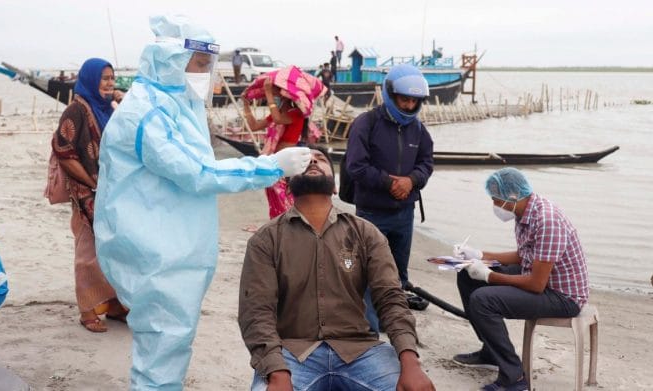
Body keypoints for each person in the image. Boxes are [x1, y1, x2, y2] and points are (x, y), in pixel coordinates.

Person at [93, 15, 311, 390]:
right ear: (172, 61)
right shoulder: (148, 113)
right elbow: (198, 173)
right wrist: (271, 166)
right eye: (199, 65)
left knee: (170, 347)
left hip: (177, 249)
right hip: (157, 253)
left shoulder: (177, 103)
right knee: (160, 355)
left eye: (208, 66)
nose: (204, 74)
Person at [238, 146, 436, 391]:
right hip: (291, 353)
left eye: (320, 159)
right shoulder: (266, 239)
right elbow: (256, 312)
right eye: (304, 160)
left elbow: (390, 298)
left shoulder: (365, 233)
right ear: (288, 185)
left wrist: (410, 361)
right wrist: (277, 372)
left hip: (361, 352)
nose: (312, 161)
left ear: (334, 186)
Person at [452, 167, 589, 391]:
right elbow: (524, 256)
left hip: (562, 296)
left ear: (513, 196)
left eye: (497, 201)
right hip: (543, 281)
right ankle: (491, 350)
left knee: (482, 300)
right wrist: (478, 255)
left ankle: (514, 378)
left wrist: (490, 275)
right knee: (467, 275)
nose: (495, 206)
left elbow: (536, 284)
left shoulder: (547, 221)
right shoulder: (524, 212)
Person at [345, 63, 433, 331]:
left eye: (413, 101)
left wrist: (411, 181)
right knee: (369, 272)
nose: (408, 106)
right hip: (371, 213)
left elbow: (427, 163)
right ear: (390, 95)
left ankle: (390, 322)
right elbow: (355, 167)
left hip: (404, 214)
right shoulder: (366, 123)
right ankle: (370, 330)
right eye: (403, 99)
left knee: (397, 274)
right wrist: (388, 183)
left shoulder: (419, 130)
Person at [52, 58, 127, 333]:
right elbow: (64, 151)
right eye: (104, 78)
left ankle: (116, 305)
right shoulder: (76, 110)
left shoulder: (109, 109)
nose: (109, 83)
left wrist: (122, 99)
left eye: (112, 79)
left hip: (110, 190)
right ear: (91, 79)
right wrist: (91, 181)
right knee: (88, 252)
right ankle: (88, 311)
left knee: (115, 248)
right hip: (86, 193)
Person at [242, 77, 306, 219]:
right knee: (276, 205)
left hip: (288, 167)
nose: (273, 98)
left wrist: (269, 92)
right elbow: (254, 126)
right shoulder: (277, 114)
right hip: (274, 164)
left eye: (276, 95)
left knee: (287, 205)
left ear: (285, 96)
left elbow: (277, 119)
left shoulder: (296, 114)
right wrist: (246, 105)